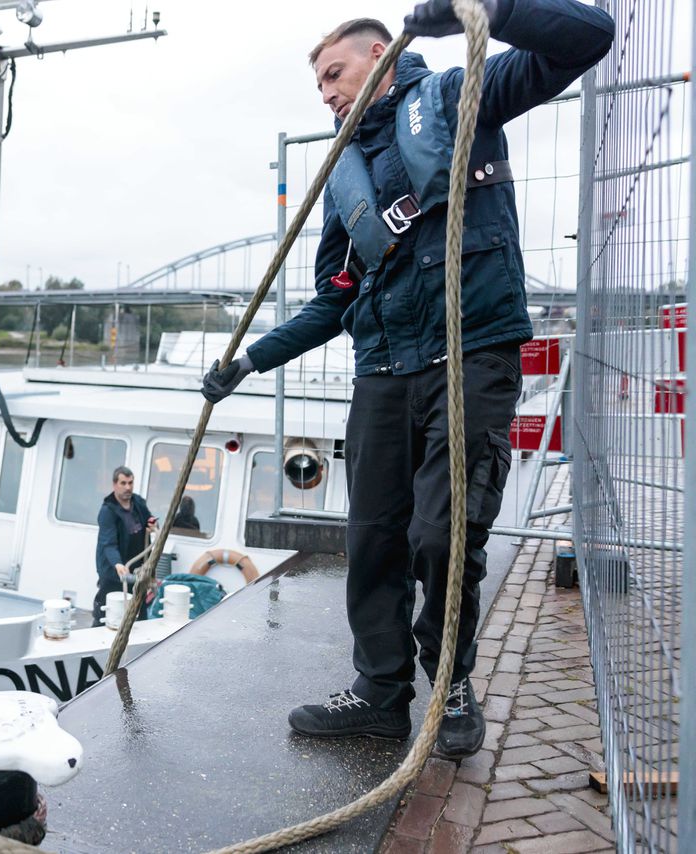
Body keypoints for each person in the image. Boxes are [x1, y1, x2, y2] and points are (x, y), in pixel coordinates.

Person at [202, 0, 613, 759]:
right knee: (376, 540)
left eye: (334, 74)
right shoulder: (343, 174)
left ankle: (450, 684)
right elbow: (336, 298)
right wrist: (249, 360)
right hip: (383, 374)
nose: (325, 93)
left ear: (381, 57)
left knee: (442, 536)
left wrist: (490, 8)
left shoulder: (460, 95)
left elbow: (589, 38)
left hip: (471, 353)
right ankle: (379, 696)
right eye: (317, 84)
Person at [94, 466, 157, 626]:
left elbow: (150, 520)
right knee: (107, 615)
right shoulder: (107, 511)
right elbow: (108, 543)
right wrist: (118, 564)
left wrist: (152, 525)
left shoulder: (138, 503)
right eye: (123, 483)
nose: (128, 487)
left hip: (137, 571)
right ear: (115, 484)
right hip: (115, 574)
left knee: (139, 614)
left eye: (130, 483)